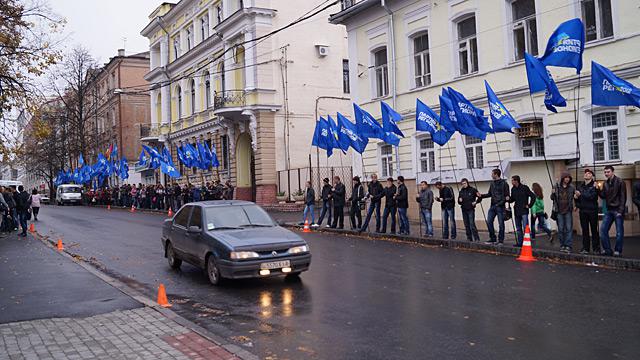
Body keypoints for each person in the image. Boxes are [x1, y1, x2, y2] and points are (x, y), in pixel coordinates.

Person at [598, 165, 626, 256]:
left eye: (608, 172)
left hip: (618, 210)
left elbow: (623, 197)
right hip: (609, 210)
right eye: (605, 172)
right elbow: (603, 196)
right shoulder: (605, 183)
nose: (606, 174)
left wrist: (620, 211)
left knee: (619, 232)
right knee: (603, 230)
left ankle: (618, 250)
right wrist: (598, 189)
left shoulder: (620, 181)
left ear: (613, 172)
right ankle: (607, 250)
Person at [478, 168, 510, 245]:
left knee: (501, 224)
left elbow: (507, 196)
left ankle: (500, 240)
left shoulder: (504, 183)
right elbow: (489, 194)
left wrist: (500, 203)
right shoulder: (492, 183)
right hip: (492, 206)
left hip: (500, 206)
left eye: (492, 174)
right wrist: (481, 195)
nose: (491, 175)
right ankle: (493, 238)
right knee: (489, 222)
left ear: (496, 174)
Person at [575, 169, 600, 254]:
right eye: (585, 173)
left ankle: (596, 248)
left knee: (594, 230)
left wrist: (580, 194)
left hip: (592, 211)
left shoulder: (594, 185)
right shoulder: (580, 186)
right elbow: (577, 200)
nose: (586, 174)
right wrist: (576, 199)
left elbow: (592, 197)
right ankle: (586, 248)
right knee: (585, 230)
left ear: (592, 176)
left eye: (589, 173)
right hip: (583, 211)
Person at [551, 172, 575, 253]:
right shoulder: (557, 186)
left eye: (568, 177)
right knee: (561, 229)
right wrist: (553, 192)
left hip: (568, 210)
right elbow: (552, 198)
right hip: (559, 210)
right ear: (563, 178)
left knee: (568, 228)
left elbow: (575, 197)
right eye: (566, 177)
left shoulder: (572, 187)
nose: (567, 179)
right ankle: (562, 245)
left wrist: (576, 204)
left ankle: (568, 245)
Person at [509, 175, 536, 247]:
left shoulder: (525, 188)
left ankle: (527, 242)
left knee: (525, 227)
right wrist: (508, 199)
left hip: (524, 210)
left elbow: (533, 196)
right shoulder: (513, 189)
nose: (511, 182)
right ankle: (520, 243)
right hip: (517, 210)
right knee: (518, 228)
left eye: (512, 180)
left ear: (516, 181)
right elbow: (512, 199)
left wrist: (529, 205)